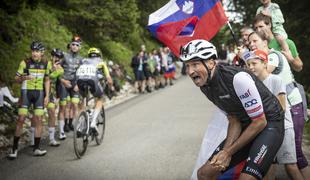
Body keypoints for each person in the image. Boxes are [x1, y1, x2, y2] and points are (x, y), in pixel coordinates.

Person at [180, 39, 285, 180]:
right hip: (247, 124)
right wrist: (225, 152)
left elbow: (260, 122)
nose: (190, 71)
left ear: (211, 63)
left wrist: (228, 152)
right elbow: (234, 119)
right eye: (187, 66)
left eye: (195, 64)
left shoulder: (238, 78)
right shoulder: (206, 85)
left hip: (269, 124)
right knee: (204, 174)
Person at [248, 31, 310, 179]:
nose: (250, 67)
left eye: (254, 64)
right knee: (268, 166)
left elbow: (281, 108)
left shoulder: (275, 78)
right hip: (268, 128)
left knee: (291, 165)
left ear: (264, 63)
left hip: (283, 126)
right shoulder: (255, 83)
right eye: (248, 64)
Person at [8, 41, 51, 159]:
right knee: (21, 119)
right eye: (33, 51)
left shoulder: (46, 63)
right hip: (26, 93)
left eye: (37, 51)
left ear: (42, 52)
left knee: (39, 119)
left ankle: (36, 148)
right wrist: (24, 78)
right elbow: (15, 79)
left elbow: (47, 80)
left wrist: (47, 96)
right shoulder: (25, 62)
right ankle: (14, 149)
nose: (34, 53)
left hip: (39, 94)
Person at [76, 48, 113, 134]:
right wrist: (111, 87)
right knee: (100, 98)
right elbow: (109, 79)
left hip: (80, 80)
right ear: (99, 55)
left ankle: (80, 124)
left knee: (82, 100)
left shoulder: (83, 60)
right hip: (92, 81)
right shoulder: (101, 62)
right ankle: (92, 123)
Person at [58, 36, 83, 139]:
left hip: (75, 84)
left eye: (77, 45)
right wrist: (62, 80)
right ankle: (63, 129)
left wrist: (78, 84)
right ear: (70, 45)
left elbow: (82, 73)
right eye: (73, 44)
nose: (74, 46)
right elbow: (57, 70)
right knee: (64, 106)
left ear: (79, 47)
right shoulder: (64, 56)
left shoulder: (81, 59)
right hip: (64, 83)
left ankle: (76, 127)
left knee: (75, 104)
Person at [46, 48, 65, 147]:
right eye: (55, 56)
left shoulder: (60, 69)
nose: (56, 59)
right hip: (40, 91)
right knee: (36, 116)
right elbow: (45, 77)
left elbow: (52, 78)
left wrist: (58, 97)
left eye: (59, 58)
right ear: (51, 56)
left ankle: (52, 139)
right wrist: (51, 69)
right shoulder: (45, 64)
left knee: (52, 112)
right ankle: (33, 140)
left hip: (52, 93)